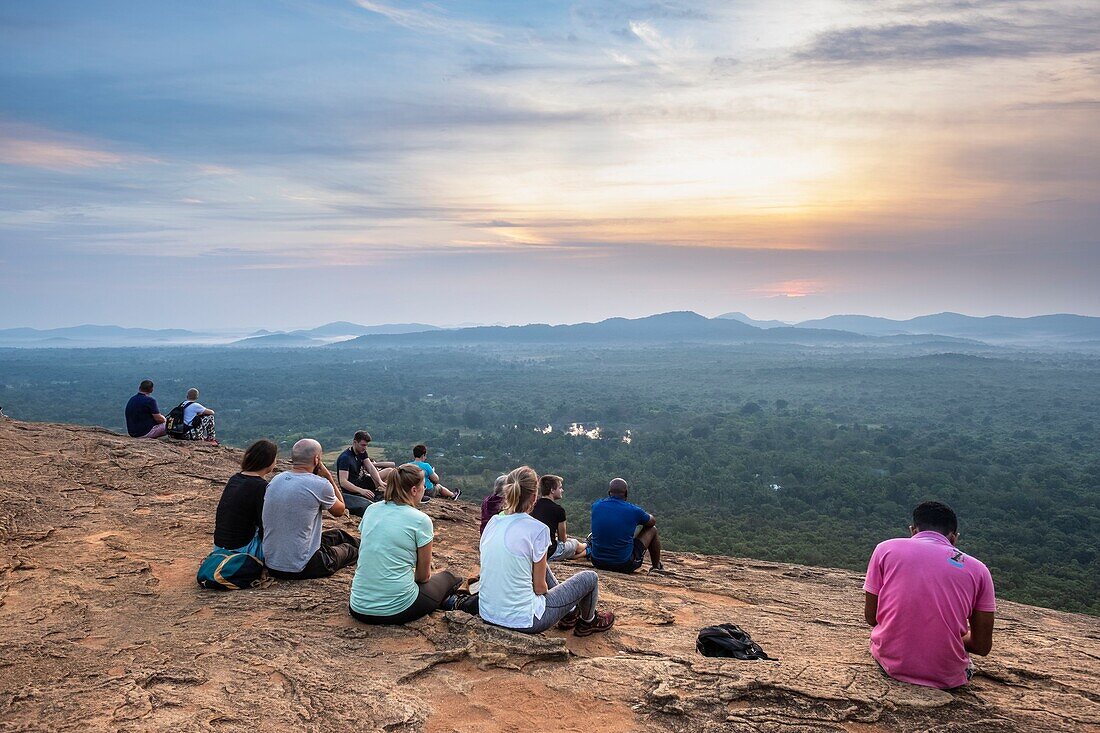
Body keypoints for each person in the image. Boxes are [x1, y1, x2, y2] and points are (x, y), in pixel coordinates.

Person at [864, 501, 996, 689]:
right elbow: (982, 646)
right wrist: (950, 635)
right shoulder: (979, 570)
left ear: (913, 531)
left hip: (891, 663)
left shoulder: (885, 549)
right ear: (954, 538)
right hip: (947, 677)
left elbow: (872, 617)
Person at [479, 466, 614, 636]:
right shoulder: (537, 530)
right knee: (590, 577)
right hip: (526, 620)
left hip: (488, 613)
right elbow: (540, 589)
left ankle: (571, 611)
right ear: (534, 496)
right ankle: (589, 621)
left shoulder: (493, 522)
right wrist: (559, 600)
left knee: (538, 562)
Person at [348, 464, 463, 624]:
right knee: (450, 578)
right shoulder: (420, 520)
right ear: (414, 490)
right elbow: (423, 577)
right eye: (423, 486)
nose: (424, 489)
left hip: (358, 606)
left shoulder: (372, 509)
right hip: (396, 609)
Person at [262, 438, 359, 580]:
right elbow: (340, 510)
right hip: (303, 566)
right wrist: (328, 478)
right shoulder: (320, 484)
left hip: (272, 563)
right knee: (350, 550)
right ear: (316, 460)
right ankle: (373, 550)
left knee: (338, 534)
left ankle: (368, 544)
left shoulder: (277, 479)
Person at [212, 439, 277, 554]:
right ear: (268, 461)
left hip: (219, 546)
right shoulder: (261, 487)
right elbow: (264, 526)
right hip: (242, 549)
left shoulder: (235, 479)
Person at [588, 477, 663, 573]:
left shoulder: (596, 506)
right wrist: (645, 516)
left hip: (597, 561)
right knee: (652, 529)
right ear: (626, 493)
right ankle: (656, 567)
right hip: (624, 564)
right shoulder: (634, 511)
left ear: (609, 493)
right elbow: (652, 522)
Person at [335, 431, 395, 516]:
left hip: (363, 481)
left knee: (390, 471)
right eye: (363, 445)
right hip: (353, 489)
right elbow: (343, 482)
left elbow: (370, 467)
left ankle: (393, 492)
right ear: (355, 442)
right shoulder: (345, 458)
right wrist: (361, 491)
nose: (365, 448)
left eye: (366, 445)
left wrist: (379, 481)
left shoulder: (362, 452)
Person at [530, 474, 586, 561]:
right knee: (575, 543)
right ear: (552, 490)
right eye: (560, 488)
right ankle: (587, 546)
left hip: (534, 549)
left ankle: (580, 552)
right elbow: (562, 539)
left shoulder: (532, 506)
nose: (562, 490)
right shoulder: (559, 510)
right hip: (550, 552)